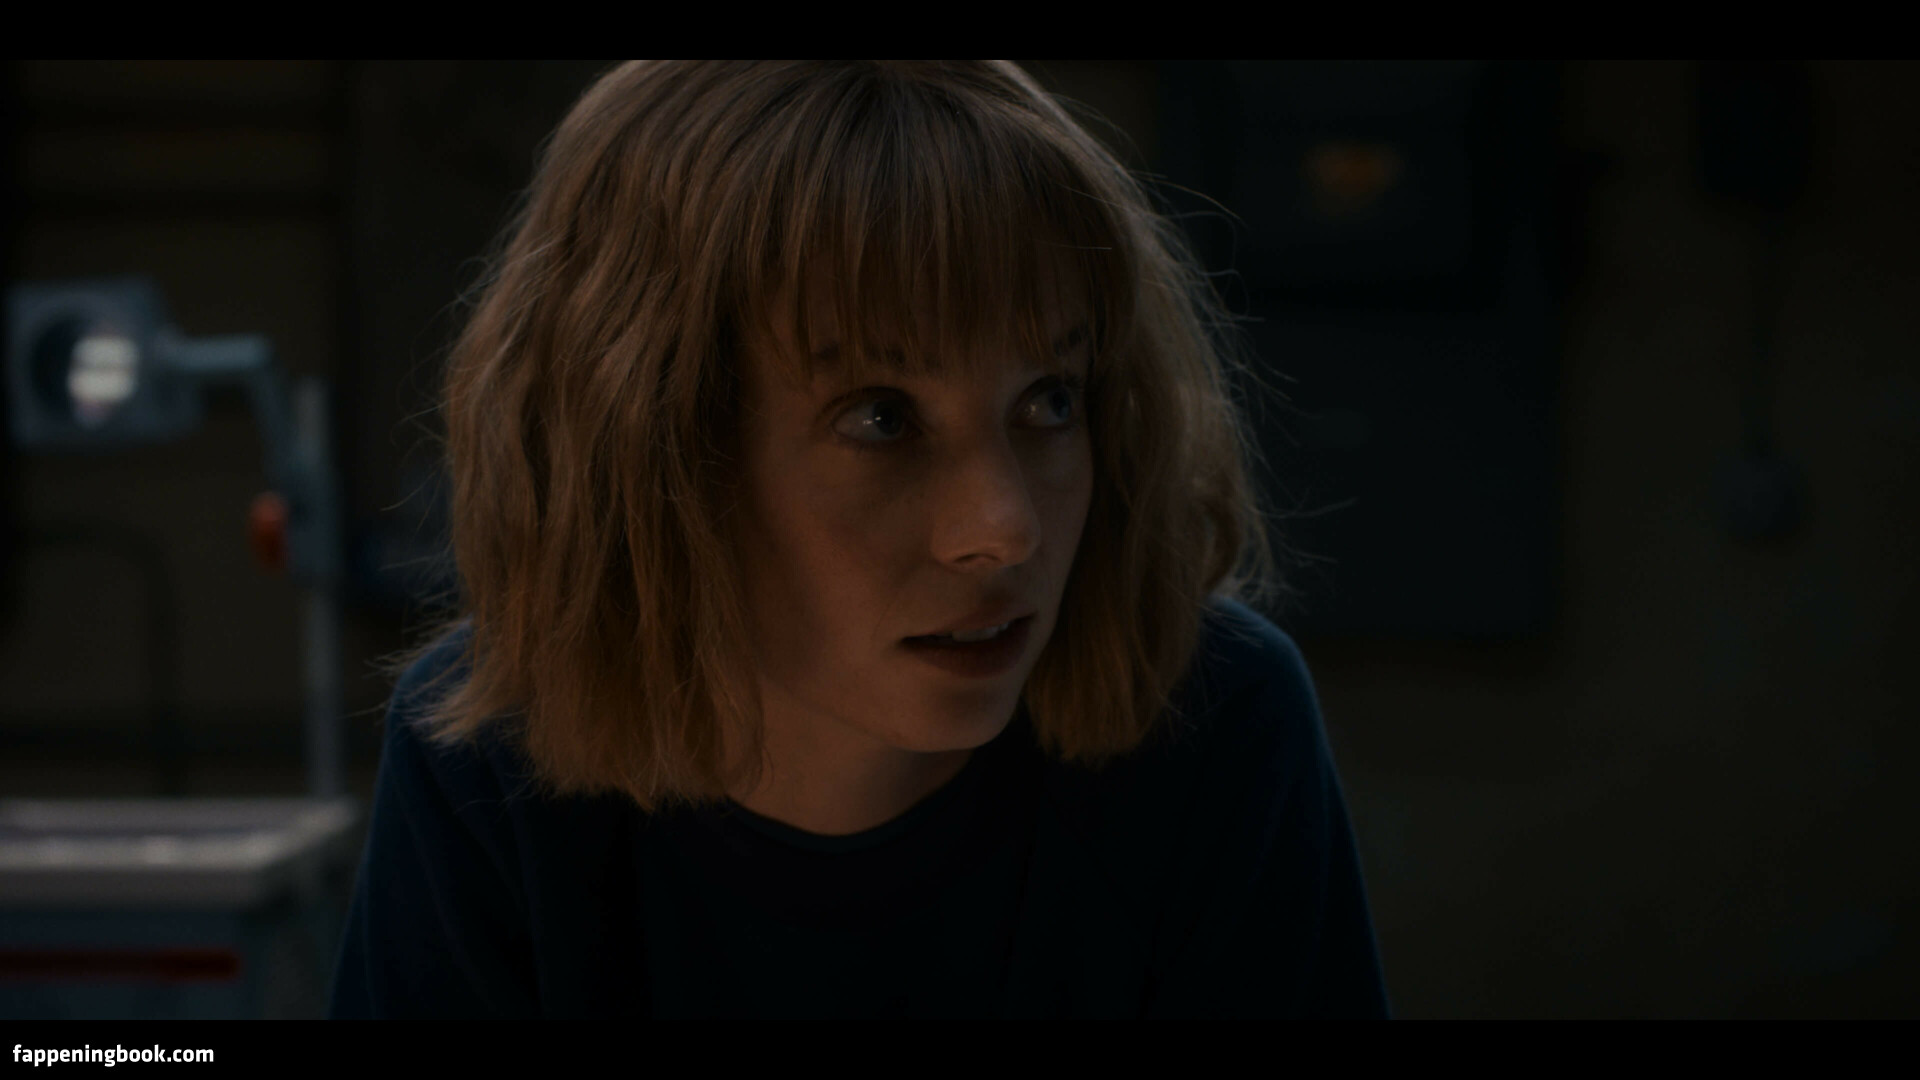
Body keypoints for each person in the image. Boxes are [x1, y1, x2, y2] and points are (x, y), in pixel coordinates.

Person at [328, 60, 1390, 1018]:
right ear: (652, 454)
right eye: (881, 418)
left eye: (1050, 400)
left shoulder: (1213, 723)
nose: (1004, 529)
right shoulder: (488, 767)